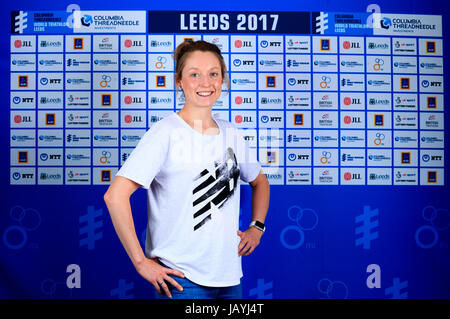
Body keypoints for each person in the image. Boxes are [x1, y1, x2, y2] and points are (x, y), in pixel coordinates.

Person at [104, 40, 270, 299]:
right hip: (182, 280)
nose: (206, 82)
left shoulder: (232, 133)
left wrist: (257, 227)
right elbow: (115, 196)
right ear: (179, 81)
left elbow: (260, 181)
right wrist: (140, 262)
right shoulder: (165, 133)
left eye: (213, 74)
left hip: (229, 277)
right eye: (195, 74)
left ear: (223, 79)